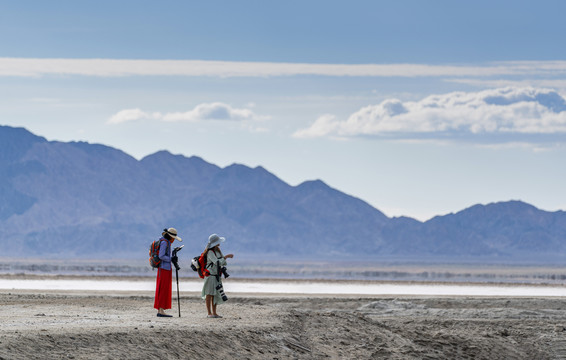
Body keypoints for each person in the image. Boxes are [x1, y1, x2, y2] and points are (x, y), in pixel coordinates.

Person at [201, 234, 234, 318]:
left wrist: (225, 258)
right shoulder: (210, 252)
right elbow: (217, 262)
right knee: (209, 294)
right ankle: (209, 313)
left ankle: (214, 313)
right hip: (210, 275)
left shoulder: (217, 250)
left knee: (215, 294)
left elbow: (222, 261)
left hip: (216, 275)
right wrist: (226, 257)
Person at [154, 227, 182, 317]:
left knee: (164, 288)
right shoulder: (164, 243)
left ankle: (161, 309)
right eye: (174, 238)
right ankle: (161, 310)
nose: (174, 240)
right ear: (170, 237)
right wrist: (171, 259)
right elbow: (161, 255)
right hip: (164, 269)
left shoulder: (166, 243)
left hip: (165, 269)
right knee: (163, 288)